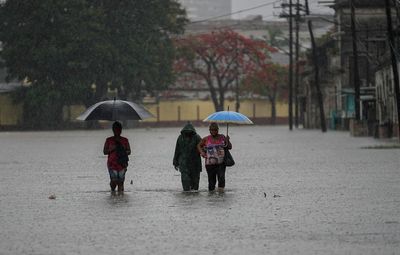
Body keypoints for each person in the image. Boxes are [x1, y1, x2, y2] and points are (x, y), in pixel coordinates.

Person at [197, 122, 232, 192]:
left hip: (221, 163)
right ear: (209, 130)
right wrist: (202, 153)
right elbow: (198, 145)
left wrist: (228, 140)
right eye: (212, 130)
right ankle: (211, 195)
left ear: (218, 130)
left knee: (221, 178)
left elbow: (230, 147)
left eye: (215, 130)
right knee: (211, 181)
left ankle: (221, 194)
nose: (213, 131)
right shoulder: (206, 139)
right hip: (209, 164)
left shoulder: (222, 137)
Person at [173, 122, 202, 191]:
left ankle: (191, 197)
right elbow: (177, 150)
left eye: (189, 132)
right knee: (185, 181)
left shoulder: (197, 137)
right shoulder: (180, 138)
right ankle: (187, 193)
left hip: (195, 163)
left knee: (195, 185)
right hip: (184, 163)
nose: (188, 133)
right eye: (186, 132)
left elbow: (203, 147)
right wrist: (175, 162)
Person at [103, 121, 131, 192]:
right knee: (114, 180)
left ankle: (120, 197)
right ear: (113, 130)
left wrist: (123, 151)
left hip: (122, 163)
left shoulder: (125, 140)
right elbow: (105, 152)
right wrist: (111, 149)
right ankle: (113, 192)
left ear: (121, 130)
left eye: (119, 129)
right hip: (112, 164)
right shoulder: (109, 140)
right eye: (115, 129)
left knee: (121, 182)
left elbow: (129, 151)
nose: (117, 131)